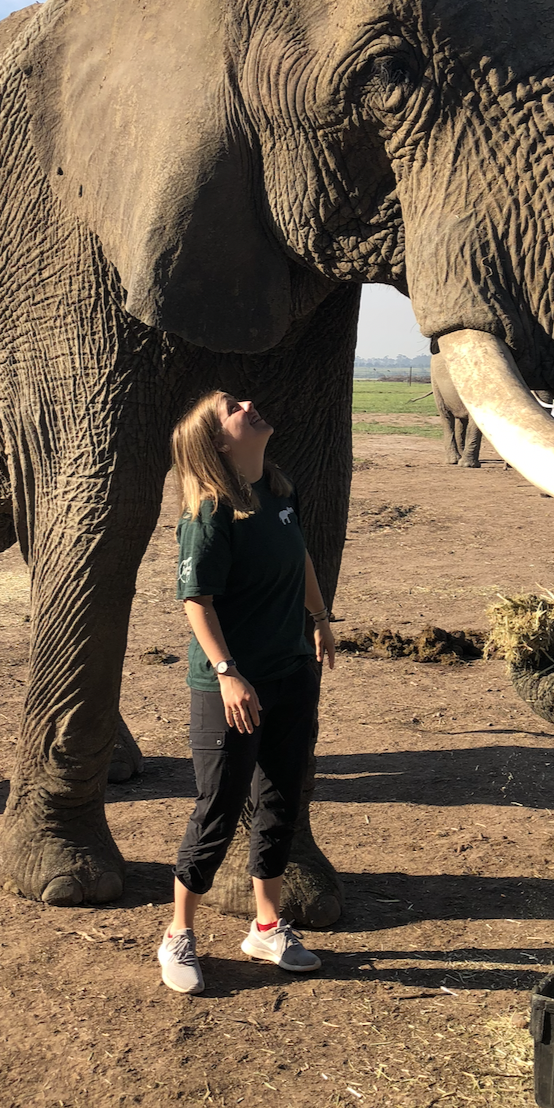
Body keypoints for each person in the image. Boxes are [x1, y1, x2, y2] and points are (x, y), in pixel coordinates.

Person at [157, 390, 336, 994]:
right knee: (220, 807)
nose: (249, 404)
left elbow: (302, 558)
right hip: (230, 689)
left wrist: (319, 617)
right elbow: (196, 602)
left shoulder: (278, 492)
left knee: (283, 798)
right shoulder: (208, 513)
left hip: (290, 674)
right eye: (230, 407)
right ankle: (178, 935)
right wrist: (229, 673)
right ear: (219, 443)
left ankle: (265, 927)